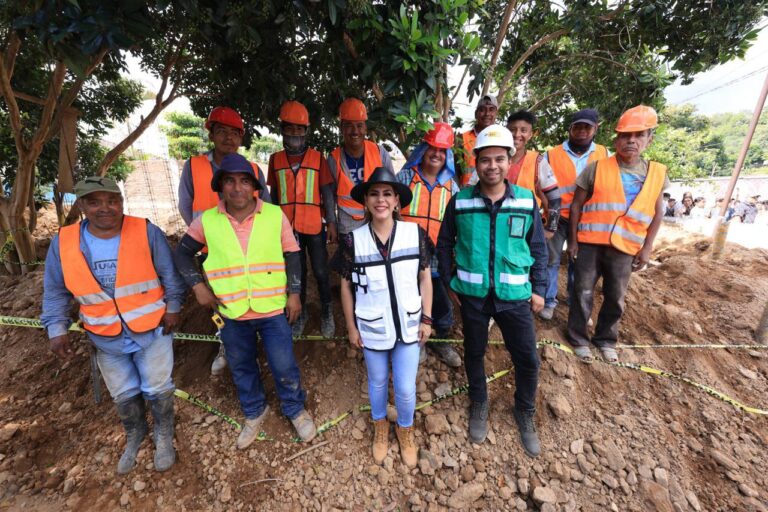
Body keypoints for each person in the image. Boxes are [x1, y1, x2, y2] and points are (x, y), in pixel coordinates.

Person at [42, 176, 186, 474]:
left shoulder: (144, 231)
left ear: (121, 202)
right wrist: (56, 329)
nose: (105, 208)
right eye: (94, 202)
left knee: (158, 386)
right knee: (122, 390)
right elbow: (55, 290)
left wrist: (173, 308)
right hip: (104, 334)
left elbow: (169, 274)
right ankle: (135, 433)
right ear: (81, 205)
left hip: (152, 328)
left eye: (112, 200)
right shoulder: (64, 242)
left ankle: (163, 434)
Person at [174, 153, 316, 448]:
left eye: (244, 181)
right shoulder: (206, 221)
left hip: (272, 308)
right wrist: (198, 287)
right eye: (229, 181)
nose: (237, 188)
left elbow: (292, 254)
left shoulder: (275, 215)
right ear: (220, 186)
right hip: (231, 311)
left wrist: (294, 293)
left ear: (255, 186)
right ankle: (254, 411)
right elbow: (182, 253)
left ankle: (294, 409)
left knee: (283, 364)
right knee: (241, 366)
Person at [437, 125, 548, 457]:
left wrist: (540, 288)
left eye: (499, 159)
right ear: (476, 162)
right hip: (473, 296)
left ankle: (524, 412)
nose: (492, 166)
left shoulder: (527, 202)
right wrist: (450, 280)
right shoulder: (460, 202)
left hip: (514, 297)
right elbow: (443, 246)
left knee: (527, 359)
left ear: (509, 161)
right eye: (486, 160)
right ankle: (479, 403)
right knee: (474, 353)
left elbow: (539, 249)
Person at [333, 167, 433, 468]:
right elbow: (346, 287)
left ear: (396, 202)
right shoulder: (353, 241)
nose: (381, 200)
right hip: (372, 326)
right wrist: (351, 327)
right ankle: (380, 428)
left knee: (404, 387)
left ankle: (405, 430)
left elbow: (425, 279)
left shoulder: (414, 234)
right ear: (365, 201)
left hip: (408, 325)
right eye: (374, 194)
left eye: (387, 194)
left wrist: (427, 319)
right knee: (376, 382)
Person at [567, 105, 669, 364]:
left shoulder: (657, 173)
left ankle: (605, 340)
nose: (631, 141)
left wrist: (647, 248)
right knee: (582, 291)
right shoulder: (596, 167)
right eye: (626, 135)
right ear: (616, 139)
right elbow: (576, 205)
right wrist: (574, 241)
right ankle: (578, 338)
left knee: (615, 296)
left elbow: (658, 213)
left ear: (649, 139)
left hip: (625, 247)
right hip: (590, 243)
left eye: (639, 135)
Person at [177, 106, 271, 376]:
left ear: (241, 138)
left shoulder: (252, 169)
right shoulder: (194, 166)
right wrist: (207, 234)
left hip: (248, 249)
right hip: (211, 250)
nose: (228, 138)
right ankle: (226, 345)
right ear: (211, 134)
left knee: (251, 295)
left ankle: (254, 341)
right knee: (220, 300)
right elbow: (186, 205)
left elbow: (264, 208)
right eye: (222, 131)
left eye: (234, 133)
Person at [267, 101, 337, 338]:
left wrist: (332, 223)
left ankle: (327, 309)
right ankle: (303, 311)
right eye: (290, 128)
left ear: (306, 131)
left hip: (314, 226)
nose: (295, 133)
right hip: (287, 228)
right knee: (296, 273)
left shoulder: (318, 158)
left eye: (300, 129)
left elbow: (327, 193)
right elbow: (274, 196)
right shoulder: (275, 160)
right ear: (282, 129)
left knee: (319, 270)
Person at [397, 122, 462, 368]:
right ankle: (415, 342)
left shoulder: (452, 187)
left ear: (448, 155)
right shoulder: (405, 178)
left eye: (442, 150)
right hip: (406, 256)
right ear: (423, 149)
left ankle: (441, 339)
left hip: (436, 257)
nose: (436, 154)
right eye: (432, 148)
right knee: (409, 300)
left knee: (441, 302)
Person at [543, 109, 609, 320]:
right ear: (570, 129)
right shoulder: (551, 154)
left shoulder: (604, 154)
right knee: (551, 259)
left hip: (587, 218)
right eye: (577, 127)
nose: (582, 131)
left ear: (595, 129)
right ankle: (548, 300)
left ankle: (575, 301)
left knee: (580, 262)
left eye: (587, 127)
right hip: (558, 215)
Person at [328, 98, 395, 236]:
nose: (355, 131)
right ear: (341, 128)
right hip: (348, 224)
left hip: (378, 217)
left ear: (365, 128)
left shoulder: (379, 152)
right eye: (349, 126)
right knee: (351, 257)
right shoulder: (334, 159)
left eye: (359, 125)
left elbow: (392, 188)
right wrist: (331, 223)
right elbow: (330, 195)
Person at [505, 110, 562, 236]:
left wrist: (551, 229)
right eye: (512, 129)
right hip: (494, 226)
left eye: (523, 130)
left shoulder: (538, 162)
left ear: (530, 135)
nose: (517, 134)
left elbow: (555, 198)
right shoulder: (493, 157)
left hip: (527, 230)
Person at [457, 94, 499, 188]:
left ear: (496, 114)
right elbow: (454, 171)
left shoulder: (501, 139)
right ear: (476, 114)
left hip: (493, 195)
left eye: (491, 109)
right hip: (467, 195)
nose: (487, 113)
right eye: (482, 109)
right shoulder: (461, 139)